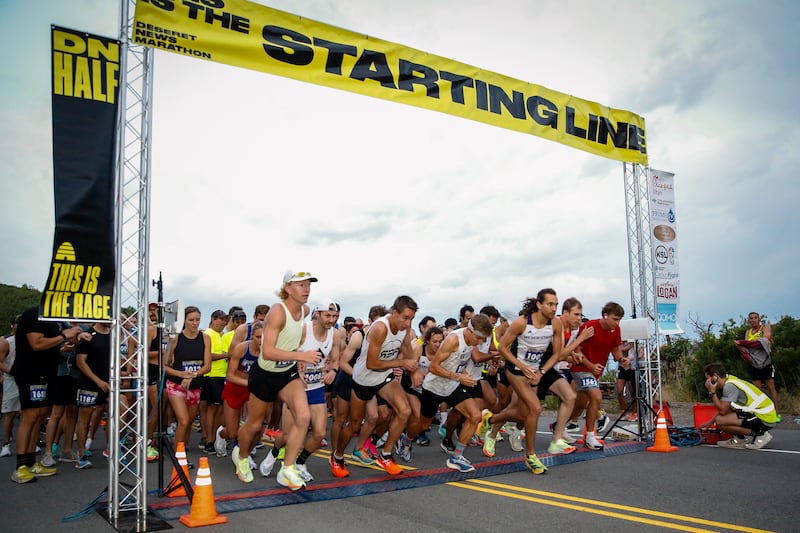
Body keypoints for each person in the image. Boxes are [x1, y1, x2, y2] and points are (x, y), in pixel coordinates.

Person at [233, 270, 322, 491]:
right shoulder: (277, 312)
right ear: (287, 288)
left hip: (287, 373)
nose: (307, 289)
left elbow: (298, 335)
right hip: (264, 374)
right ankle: (241, 455)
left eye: (308, 285)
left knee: (303, 416)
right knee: (254, 425)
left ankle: (287, 469)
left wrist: (298, 352)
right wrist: (301, 355)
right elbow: (269, 352)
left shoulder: (305, 310)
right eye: (301, 285)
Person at [333, 296, 420, 477]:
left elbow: (407, 350)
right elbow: (372, 363)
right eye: (405, 318)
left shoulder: (405, 328)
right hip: (363, 378)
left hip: (383, 376)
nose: (408, 322)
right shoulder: (381, 328)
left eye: (411, 318)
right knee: (355, 424)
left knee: (404, 411)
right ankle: (337, 456)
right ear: (394, 313)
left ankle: (385, 455)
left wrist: (414, 370)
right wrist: (402, 362)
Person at [259, 299, 340, 483]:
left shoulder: (335, 334)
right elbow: (285, 351)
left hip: (317, 387)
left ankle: (299, 463)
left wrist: (333, 371)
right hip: (296, 387)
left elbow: (335, 359)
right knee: (288, 434)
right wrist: (297, 371)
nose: (331, 320)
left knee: (319, 434)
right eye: (328, 315)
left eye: (334, 316)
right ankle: (273, 454)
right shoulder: (304, 330)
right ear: (317, 314)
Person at [401, 315, 494, 473]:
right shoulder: (453, 340)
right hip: (434, 387)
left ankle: (456, 457)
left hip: (453, 385)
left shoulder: (471, 339)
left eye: (484, 339)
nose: (481, 343)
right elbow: (433, 367)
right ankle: (406, 440)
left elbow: (459, 362)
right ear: (470, 331)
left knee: (475, 416)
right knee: (423, 425)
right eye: (479, 338)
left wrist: (465, 375)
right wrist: (459, 377)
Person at [10, 306, 82, 483]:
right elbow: (37, 343)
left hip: (47, 374)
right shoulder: (33, 314)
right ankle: (20, 467)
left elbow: (50, 347)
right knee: (30, 416)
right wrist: (65, 335)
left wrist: (65, 347)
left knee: (41, 416)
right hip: (30, 373)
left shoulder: (54, 320)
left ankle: (31, 461)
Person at [568, 302, 628, 451]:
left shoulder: (616, 330)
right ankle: (590, 436)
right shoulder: (590, 327)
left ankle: (561, 425)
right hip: (580, 368)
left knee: (581, 403)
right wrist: (590, 366)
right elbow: (576, 350)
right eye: (615, 319)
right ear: (605, 316)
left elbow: (615, 348)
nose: (617, 323)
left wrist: (621, 359)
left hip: (595, 371)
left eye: (619, 319)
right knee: (596, 396)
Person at [164, 306, 212, 450]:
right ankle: (178, 457)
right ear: (184, 321)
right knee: (183, 421)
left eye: (197, 320)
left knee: (188, 422)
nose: (194, 323)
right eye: (191, 320)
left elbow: (207, 365)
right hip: (176, 384)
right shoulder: (176, 338)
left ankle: (182, 449)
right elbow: (164, 366)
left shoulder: (205, 338)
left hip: (195, 385)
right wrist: (181, 375)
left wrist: (193, 375)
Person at [214, 321, 264, 457]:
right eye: (258, 337)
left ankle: (244, 455)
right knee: (232, 432)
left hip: (253, 391)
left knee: (257, 427)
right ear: (252, 336)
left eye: (264, 337)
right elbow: (230, 375)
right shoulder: (241, 349)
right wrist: (250, 383)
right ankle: (221, 433)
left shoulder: (268, 352)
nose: (261, 340)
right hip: (235, 388)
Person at [701, 362, 778, 449]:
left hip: (765, 417)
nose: (707, 382)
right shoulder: (730, 380)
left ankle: (760, 434)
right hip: (764, 414)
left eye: (708, 379)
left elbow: (722, 411)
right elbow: (726, 408)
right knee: (723, 416)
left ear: (715, 376)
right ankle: (739, 439)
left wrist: (712, 392)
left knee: (720, 421)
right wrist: (709, 422)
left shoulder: (730, 386)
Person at [735, 312, 779, 416]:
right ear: (748, 320)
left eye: (755, 318)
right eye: (751, 318)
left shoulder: (765, 327)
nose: (754, 320)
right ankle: (762, 411)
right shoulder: (748, 332)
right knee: (757, 388)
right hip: (754, 362)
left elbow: (765, 340)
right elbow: (746, 347)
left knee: (770, 385)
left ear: (759, 319)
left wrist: (747, 343)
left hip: (766, 361)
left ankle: (776, 411)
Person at [199, 309, 229, 454]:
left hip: (220, 375)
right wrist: (226, 355)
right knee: (213, 408)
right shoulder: (208, 334)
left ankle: (211, 438)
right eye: (222, 319)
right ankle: (210, 441)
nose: (224, 323)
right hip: (211, 375)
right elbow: (207, 355)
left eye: (225, 320)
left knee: (218, 409)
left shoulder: (220, 335)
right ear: (214, 319)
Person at [1, 316, 20, 458]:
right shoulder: (6, 342)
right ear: (12, 325)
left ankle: (29, 443)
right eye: (17, 324)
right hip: (11, 380)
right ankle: (6, 444)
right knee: (9, 414)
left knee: (29, 414)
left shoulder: (29, 340)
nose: (19, 327)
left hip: (27, 380)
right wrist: (11, 372)